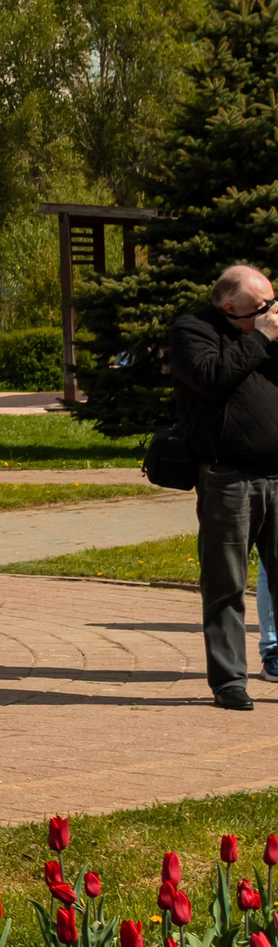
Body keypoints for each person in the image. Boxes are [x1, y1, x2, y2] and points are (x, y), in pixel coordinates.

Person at [166, 262, 278, 711]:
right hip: (227, 477)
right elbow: (211, 379)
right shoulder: (192, 331)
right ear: (230, 307)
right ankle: (229, 680)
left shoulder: (265, 334)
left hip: (277, 474)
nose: (272, 311)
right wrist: (260, 339)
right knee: (226, 582)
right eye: (262, 306)